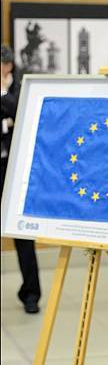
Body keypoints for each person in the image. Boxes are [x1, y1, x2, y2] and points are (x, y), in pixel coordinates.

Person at [1, 44, 41, 314]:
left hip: (14, 169)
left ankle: (30, 294)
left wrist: (3, 94)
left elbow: (22, 114)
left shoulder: (22, 84)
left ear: (8, 66)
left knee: (23, 235)